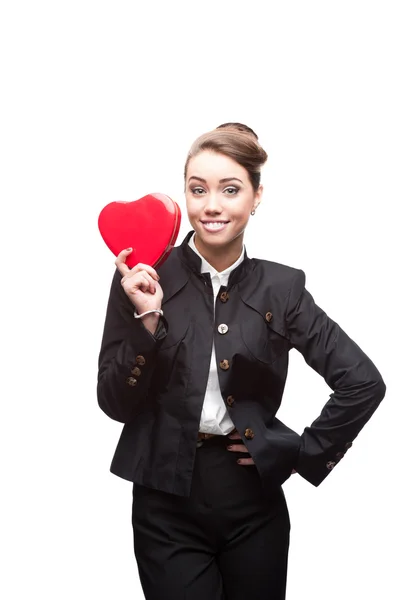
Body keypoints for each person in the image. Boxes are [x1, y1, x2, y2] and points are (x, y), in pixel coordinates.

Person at [97, 122, 386, 600]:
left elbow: (362, 382)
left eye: (230, 189)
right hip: (165, 504)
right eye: (198, 189)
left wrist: (301, 452)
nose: (211, 205)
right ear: (185, 195)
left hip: (253, 506)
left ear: (255, 196)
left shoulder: (283, 289)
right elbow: (113, 401)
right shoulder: (144, 275)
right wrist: (147, 321)